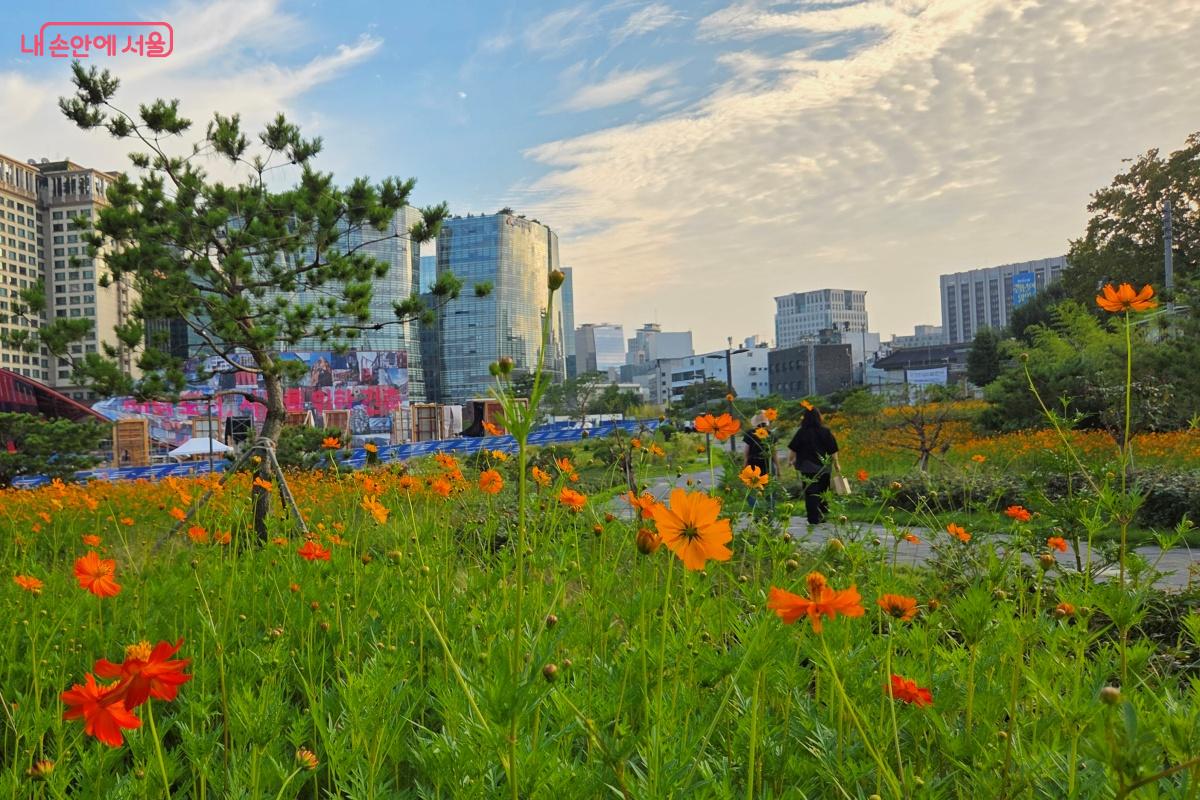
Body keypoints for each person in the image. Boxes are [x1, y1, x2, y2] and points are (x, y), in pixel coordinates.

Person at [787, 405, 840, 525]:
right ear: (818, 417)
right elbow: (833, 450)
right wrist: (837, 465)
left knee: (810, 492)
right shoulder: (825, 431)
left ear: (805, 418)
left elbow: (793, 448)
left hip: (807, 467)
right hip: (824, 467)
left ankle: (813, 518)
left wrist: (790, 461)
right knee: (823, 491)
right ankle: (823, 514)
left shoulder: (802, 432)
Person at [742, 412, 774, 514]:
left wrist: (744, 466)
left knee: (751, 489)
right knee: (769, 489)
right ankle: (769, 511)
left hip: (753, 464)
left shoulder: (749, 434)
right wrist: (778, 467)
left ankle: (756, 511)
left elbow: (746, 452)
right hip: (767, 464)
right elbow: (774, 452)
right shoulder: (770, 434)